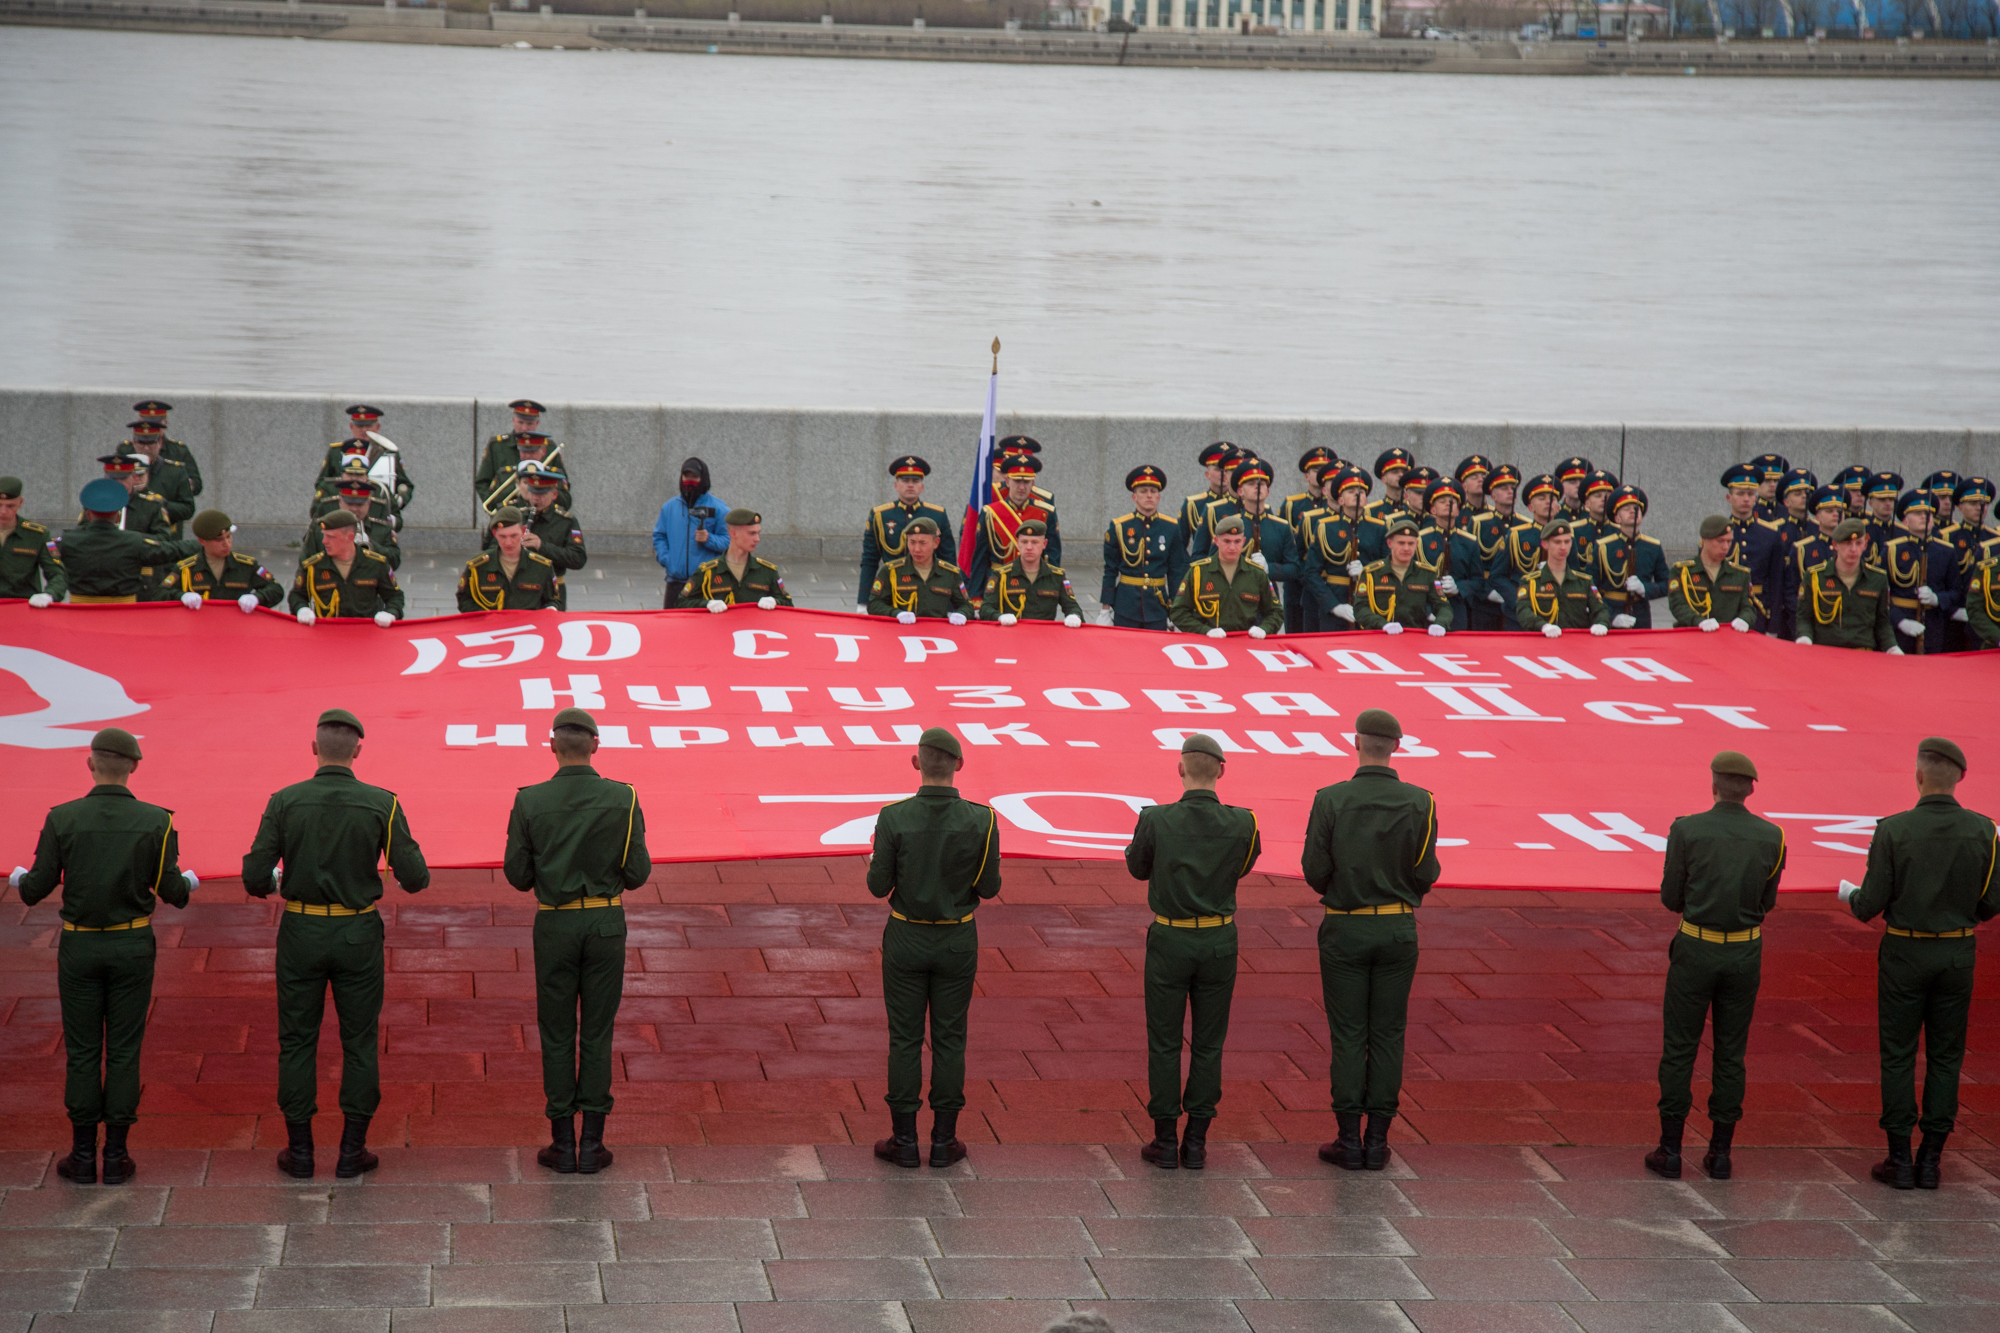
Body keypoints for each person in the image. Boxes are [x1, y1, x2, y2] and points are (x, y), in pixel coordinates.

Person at [242, 708, 430, 1179]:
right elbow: (416, 879)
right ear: (358, 751)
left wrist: (280, 880)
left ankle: (300, 1151)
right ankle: (352, 1151)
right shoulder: (381, 803)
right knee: (360, 1040)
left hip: (301, 929)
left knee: (297, 1040)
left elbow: (253, 876)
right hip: (357, 931)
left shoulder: (284, 801)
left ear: (314, 748)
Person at [10, 727, 193, 1186]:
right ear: (133, 765)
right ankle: (116, 1156)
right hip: (132, 944)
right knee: (125, 1051)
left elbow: (35, 888)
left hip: (80, 945)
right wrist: (187, 882)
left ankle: (81, 1154)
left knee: (84, 1051)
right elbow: (173, 892)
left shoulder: (62, 818)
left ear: (90, 763)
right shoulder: (158, 821)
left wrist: (16, 878)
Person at [1838, 737, 1996, 1190]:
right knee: (1947, 1056)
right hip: (1956, 951)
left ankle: (1899, 1159)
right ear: (1959, 778)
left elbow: (1869, 904)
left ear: (1920, 775)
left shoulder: (1894, 830)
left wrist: (1850, 895)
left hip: (1905, 952)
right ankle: (1931, 1159)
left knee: (1899, 1055)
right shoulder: (1986, 831)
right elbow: (1992, 900)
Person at [504, 707, 650, 1176]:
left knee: (557, 1031)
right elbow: (637, 873)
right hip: (605, 923)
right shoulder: (623, 798)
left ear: (552, 745)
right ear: (596, 745)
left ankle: (562, 1142)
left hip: (555, 924)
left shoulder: (529, 801)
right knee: (597, 1032)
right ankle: (593, 1144)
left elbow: (517, 875)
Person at [1301, 708, 1439, 1173]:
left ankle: (1348, 1139)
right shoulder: (1422, 802)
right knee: (1387, 1033)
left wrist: (1343, 891)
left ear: (1355, 742)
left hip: (1345, 924)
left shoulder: (1330, 799)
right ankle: (1378, 1141)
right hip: (1397, 927)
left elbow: (1314, 870)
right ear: (1396, 746)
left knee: (1348, 1034)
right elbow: (1426, 871)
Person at [1645, 750, 1786, 1183]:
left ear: (1714, 784)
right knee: (1731, 1052)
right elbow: (1767, 902)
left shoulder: (1687, 829)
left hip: (1696, 948)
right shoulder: (1772, 836)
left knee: (1680, 1048)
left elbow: (1672, 898)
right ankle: (1720, 1153)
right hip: (1744, 952)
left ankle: (1670, 1150)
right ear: (1750, 788)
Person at [866, 727, 1002, 1168]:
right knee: (950, 1039)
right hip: (957, 938)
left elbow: (877, 886)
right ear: (958, 765)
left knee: (904, 1039)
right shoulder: (982, 819)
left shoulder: (894, 817)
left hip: (906, 935)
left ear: (916, 763)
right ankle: (945, 1142)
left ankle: (903, 1141)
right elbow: (989, 886)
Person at [1126, 733, 1261, 1172]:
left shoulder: (1155, 820)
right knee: (1209, 1042)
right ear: (1221, 770)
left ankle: (1165, 1140)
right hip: (1219, 938)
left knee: (1164, 1041)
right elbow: (1242, 867)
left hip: (1169, 937)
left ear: (1180, 768)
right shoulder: (1244, 823)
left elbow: (1137, 868)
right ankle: (1197, 1142)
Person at [58, 479, 196, 605]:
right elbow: (172, 549)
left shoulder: (68, 541)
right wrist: (203, 542)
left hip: (81, 612)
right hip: (123, 613)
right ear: (118, 517)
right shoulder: (134, 541)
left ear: (88, 515)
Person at [857, 456, 954, 613]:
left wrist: (952, 603)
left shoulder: (938, 515)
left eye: (915, 481)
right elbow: (869, 560)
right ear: (896, 485)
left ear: (922, 487)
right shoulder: (880, 515)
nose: (910, 485)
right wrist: (863, 601)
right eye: (905, 480)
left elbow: (948, 561)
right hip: (891, 593)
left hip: (930, 594)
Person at [483, 462, 585, 608]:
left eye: (542, 493)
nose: (536, 498)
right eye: (533, 492)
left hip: (550, 591)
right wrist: (510, 546)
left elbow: (578, 559)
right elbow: (488, 550)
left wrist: (541, 546)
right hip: (516, 589)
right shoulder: (514, 516)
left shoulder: (566, 521)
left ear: (554, 494)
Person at [1099, 465, 1188, 630]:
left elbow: (1176, 572)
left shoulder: (1171, 528)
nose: (1149, 495)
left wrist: (1177, 609)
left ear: (1159, 497)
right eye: (1143, 491)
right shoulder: (1119, 527)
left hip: (1157, 605)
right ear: (1134, 497)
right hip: (1126, 605)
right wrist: (1105, 609)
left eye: (1153, 491)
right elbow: (1110, 569)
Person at [967, 454, 1060, 605]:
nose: (1022, 487)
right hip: (999, 584)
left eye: (1026, 481)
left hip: (1034, 584)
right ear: (1007, 481)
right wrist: (976, 597)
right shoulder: (990, 513)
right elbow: (980, 558)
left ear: (1033, 483)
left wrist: (1053, 590)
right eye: (1017, 481)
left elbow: (1053, 556)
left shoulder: (1045, 513)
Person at [1169, 516, 1281, 638]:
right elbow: (1178, 613)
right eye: (1227, 541)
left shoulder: (1256, 573)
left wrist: (1264, 629)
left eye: (1237, 541)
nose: (1232, 547)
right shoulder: (1198, 572)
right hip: (1208, 645)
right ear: (1216, 541)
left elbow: (1276, 612)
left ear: (1243, 541)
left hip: (1244, 644)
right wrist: (1204, 630)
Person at [1795, 518, 1895, 652]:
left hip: (1863, 654)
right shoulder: (1815, 577)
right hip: (1825, 652)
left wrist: (1892, 647)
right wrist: (1804, 637)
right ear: (1835, 545)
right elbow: (1804, 617)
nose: (1853, 549)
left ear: (1865, 545)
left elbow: (1882, 622)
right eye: (1847, 543)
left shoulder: (1877, 578)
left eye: (1858, 543)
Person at [1881, 491, 1961, 656]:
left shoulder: (1946, 551)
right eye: (1917, 513)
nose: (1925, 517)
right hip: (1900, 628)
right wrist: (1900, 621)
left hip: (1933, 627)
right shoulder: (1892, 550)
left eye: (1929, 513)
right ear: (1905, 520)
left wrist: (1937, 599)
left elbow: (1956, 592)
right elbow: (1880, 592)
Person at [290, 511, 404, 626]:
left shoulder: (375, 564)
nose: (324, 541)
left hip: (366, 633)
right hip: (327, 632)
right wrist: (302, 609)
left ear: (350, 537)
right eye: (324, 535)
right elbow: (297, 595)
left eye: (331, 537)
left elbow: (395, 596)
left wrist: (390, 613)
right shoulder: (314, 566)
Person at [157, 510, 285, 611]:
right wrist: (181, 596)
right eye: (219, 540)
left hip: (236, 629)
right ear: (202, 541)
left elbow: (276, 589)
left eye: (229, 537)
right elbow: (160, 594)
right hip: (199, 630)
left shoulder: (246, 565)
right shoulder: (186, 569)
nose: (227, 544)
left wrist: (257, 598)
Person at [1301, 464, 1374, 632]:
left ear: (1366, 500)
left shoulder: (1378, 528)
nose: (1357, 494)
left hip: (1370, 603)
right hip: (1334, 601)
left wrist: (1367, 573)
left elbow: (1387, 568)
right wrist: (1333, 605)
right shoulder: (1326, 527)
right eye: (1350, 491)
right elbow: (1311, 571)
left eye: (1361, 492)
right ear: (1340, 500)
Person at [652, 456, 731, 609]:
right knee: (671, 628)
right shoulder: (669, 507)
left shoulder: (719, 509)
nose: (689, 481)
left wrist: (709, 539)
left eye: (694, 476)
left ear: (703, 478)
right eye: (686, 476)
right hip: (675, 582)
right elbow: (659, 535)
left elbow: (729, 541)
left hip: (706, 583)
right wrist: (667, 560)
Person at [679, 508, 792, 610]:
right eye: (752, 533)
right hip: (720, 630)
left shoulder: (767, 571)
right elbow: (681, 602)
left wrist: (775, 601)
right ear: (734, 534)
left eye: (758, 533)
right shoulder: (708, 572)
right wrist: (706, 604)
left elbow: (788, 604)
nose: (757, 539)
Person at [1514, 518, 1609, 638]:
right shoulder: (1531, 581)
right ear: (1545, 544)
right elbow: (1523, 611)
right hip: (1542, 643)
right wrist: (1542, 626)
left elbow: (1600, 609)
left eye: (1567, 541)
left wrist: (1601, 623)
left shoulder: (1584, 581)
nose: (1563, 547)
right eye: (1557, 542)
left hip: (1576, 643)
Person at [1354, 516, 1449, 637]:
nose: (1406, 548)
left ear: (1417, 544)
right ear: (1389, 543)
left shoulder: (1427, 573)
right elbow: (1360, 608)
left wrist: (1440, 623)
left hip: (1415, 638)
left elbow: (1443, 606)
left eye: (1411, 543)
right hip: (1379, 637)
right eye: (1401, 543)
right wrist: (1383, 624)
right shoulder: (1372, 573)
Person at [1591, 484, 1670, 629]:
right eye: (1626, 509)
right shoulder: (1604, 546)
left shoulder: (1652, 546)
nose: (1632, 512)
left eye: (1636, 509)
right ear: (1617, 517)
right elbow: (1591, 588)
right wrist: (1611, 616)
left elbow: (1667, 583)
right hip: (1611, 611)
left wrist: (1645, 588)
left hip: (1641, 613)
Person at [1485, 472, 1557, 629]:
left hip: (1555, 611)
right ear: (1530, 507)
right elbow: (1497, 575)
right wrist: (1517, 598)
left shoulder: (1567, 537)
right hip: (1518, 613)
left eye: (1552, 498)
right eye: (1541, 498)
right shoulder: (1516, 535)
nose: (1548, 502)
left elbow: (1577, 574)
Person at [1719, 463, 1786, 633]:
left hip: (1759, 609)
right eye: (1740, 494)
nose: (1746, 499)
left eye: (1750, 494)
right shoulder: (1718, 533)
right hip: (1725, 607)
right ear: (1729, 498)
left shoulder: (1770, 535)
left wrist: (1774, 623)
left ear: (1756, 498)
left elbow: (1777, 581)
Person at [867, 516, 972, 623]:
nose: (916, 549)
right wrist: (896, 613)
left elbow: (966, 605)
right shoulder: (891, 571)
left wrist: (962, 614)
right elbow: (874, 604)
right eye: (912, 542)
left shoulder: (949, 573)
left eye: (923, 543)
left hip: (937, 633)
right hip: (901, 632)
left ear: (935, 543)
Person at [1776, 487, 1847, 640]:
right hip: (1809, 623)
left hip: (1843, 623)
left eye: (1839, 511)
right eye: (1829, 511)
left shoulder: (1851, 549)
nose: (1835, 514)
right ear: (1817, 516)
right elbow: (1791, 591)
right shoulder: (1802, 549)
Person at [459, 507, 562, 612]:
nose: (508, 543)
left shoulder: (542, 566)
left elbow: (553, 600)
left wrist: (550, 609)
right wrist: (485, 617)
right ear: (495, 533)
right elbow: (464, 600)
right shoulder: (478, 567)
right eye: (503, 536)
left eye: (514, 536)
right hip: (492, 625)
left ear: (523, 531)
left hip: (528, 625)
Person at [979, 519, 1081, 625]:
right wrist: (999, 617)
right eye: (1024, 542)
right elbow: (985, 609)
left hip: (1044, 635)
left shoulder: (1056, 576)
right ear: (1017, 543)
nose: (1029, 547)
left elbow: (1072, 606)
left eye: (1035, 542)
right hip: (1012, 634)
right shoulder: (1002, 575)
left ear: (1044, 544)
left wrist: (1073, 616)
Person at [476, 400, 572, 511]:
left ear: (537, 423)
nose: (524, 428)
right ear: (513, 420)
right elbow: (482, 482)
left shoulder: (550, 447)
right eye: (520, 423)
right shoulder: (496, 445)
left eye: (529, 424)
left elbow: (563, 489)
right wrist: (494, 508)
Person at [315, 406, 414, 512]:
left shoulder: (389, 453)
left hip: (379, 508)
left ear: (378, 427)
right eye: (359, 426)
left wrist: (397, 502)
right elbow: (322, 482)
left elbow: (405, 484)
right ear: (351, 426)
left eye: (369, 426)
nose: (364, 430)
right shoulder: (336, 452)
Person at [1668, 516, 1758, 632]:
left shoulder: (1740, 574)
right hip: (1691, 635)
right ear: (1704, 539)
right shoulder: (1682, 571)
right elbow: (1677, 605)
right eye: (1720, 541)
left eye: (1729, 541)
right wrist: (1698, 621)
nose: (1725, 547)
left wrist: (1744, 619)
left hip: (1727, 637)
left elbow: (1749, 607)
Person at [1416, 478, 1482, 631]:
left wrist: (1459, 587)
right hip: (1426, 609)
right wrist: (1426, 610)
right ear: (1432, 510)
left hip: (1457, 609)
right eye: (1442, 501)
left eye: (1453, 502)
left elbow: (1478, 580)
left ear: (1458, 510)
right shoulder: (1420, 539)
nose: (1448, 504)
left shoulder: (1469, 542)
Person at [302, 474, 403, 571]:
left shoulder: (382, 528)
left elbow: (395, 562)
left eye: (360, 505)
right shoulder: (320, 528)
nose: (354, 509)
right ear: (340, 502)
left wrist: (372, 545)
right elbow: (305, 562)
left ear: (368, 504)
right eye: (349, 504)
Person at [1466, 463, 1525, 631]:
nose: (1510, 491)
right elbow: (1473, 565)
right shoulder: (1479, 523)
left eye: (1513, 487)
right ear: (1493, 495)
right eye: (1503, 488)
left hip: (1516, 596)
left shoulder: (1525, 525)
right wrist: (1486, 592)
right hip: (1485, 599)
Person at [1942, 477, 1996, 652]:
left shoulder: (1995, 539)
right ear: (1960, 507)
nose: (1979, 508)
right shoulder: (1946, 537)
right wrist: (1952, 609)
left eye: (1984, 504)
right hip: (1952, 615)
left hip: (1985, 614)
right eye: (1973, 503)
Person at [0, 476, 68, 604]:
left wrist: (49, 595)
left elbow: (57, 572)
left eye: (10, 506)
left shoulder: (38, 535)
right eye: (0, 505)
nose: (3, 511)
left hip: (22, 606)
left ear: (20, 503)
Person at [125, 420, 196, 536]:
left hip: (165, 539)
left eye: (151, 443)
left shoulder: (175, 472)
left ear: (160, 443)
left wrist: (161, 504)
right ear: (133, 442)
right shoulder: (123, 470)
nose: (146, 449)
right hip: (130, 537)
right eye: (141, 443)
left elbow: (188, 509)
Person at [93, 453, 175, 537]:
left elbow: (163, 538)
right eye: (113, 479)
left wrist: (134, 542)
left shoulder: (151, 506)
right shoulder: (95, 504)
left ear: (134, 477)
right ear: (105, 478)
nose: (118, 483)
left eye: (123, 478)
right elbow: (84, 533)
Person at [132, 399, 203, 496]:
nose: (152, 428)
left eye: (157, 425)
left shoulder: (179, 451)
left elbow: (196, 484)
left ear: (165, 423)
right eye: (148, 424)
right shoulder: (127, 449)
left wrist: (178, 484)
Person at [1179, 443, 1239, 553]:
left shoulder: (1242, 503)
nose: (1224, 474)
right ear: (1207, 474)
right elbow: (1179, 546)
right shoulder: (1193, 504)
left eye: (1228, 470)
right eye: (1218, 469)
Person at [1365, 448, 1414, 522]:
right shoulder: (1371, 511)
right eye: (1395, 472)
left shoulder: (1414, 509)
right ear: (1383, 479)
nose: (1400, 475)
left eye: (1404, 472)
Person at [1748, 452, 1790, 522]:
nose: (1772, 484)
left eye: (1776, 480)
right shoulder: (1749, 509)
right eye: (1767, 480)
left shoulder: (1789, 510)